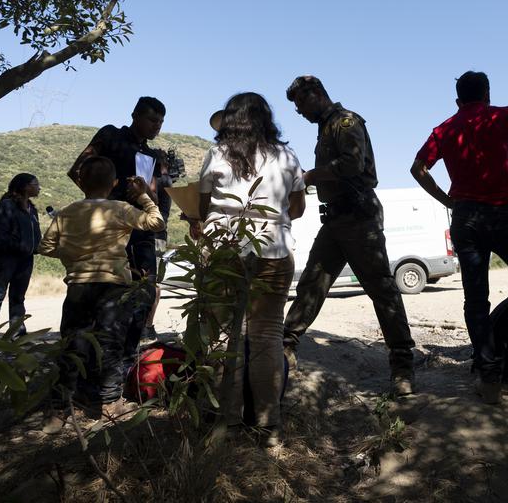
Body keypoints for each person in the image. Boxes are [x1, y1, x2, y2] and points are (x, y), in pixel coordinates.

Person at [410, 71, 508, 404]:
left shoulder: (444, 129)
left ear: (458, 100)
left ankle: (489, 379)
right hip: (501, 214)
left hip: (466, 219)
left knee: (476, 300)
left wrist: (448, 201)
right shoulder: (501, 115)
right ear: (486, 94)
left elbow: (418, 168)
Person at [282, 75, 416, 396]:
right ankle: (286, 347)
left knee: (382, 291)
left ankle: (402, 367)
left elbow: (353, 163)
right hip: (336, 220)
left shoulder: (344, 122)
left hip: (358, 217)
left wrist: (310, 176)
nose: (299, 111)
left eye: (300, 103)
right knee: (312, 283)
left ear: (315, 94)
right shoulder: (325, 128)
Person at [197, 92, 305, 443]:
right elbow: (298, 207)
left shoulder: (216, 154)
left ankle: (225, 423)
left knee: (222, 336)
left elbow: (202, 206)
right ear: (265, 120)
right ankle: (268, 425)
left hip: (223, 252)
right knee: (267, 336)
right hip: (273, 251)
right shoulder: (287, 156)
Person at [40, 156, 165, 433]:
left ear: (81, 182)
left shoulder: (66, 212)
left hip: (78, 285)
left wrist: (72, 256)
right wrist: (144, 195)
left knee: (71, 344)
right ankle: (110, 404)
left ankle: (60, 410)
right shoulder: (120, 209)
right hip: (113, 286)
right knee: (111, 343)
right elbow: (156, 222)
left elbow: (46, 247)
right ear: (114, 184)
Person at [67, 97, 165, 362]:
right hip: (105, 231)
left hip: (140, 231)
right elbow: (78, 170)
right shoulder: (110, 135)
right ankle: (83, 365)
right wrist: (100, 205)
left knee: (143, 291)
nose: (157, 127)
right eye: (152, 120)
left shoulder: (151, 154)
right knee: (98, 296)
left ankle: (125, 360)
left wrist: (146, 195)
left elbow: (154, 198)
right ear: (135, 115)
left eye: (161, 122)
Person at [0, 173, 42, 338]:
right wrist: (21, 247)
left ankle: (17, 335)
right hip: (5, 259)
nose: (39, 187)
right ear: (25, 186)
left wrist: (36, 248)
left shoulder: (32, 208)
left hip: (26, 259)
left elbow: (35, 235)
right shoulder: (6, 206)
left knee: (18, 298)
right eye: (36, 184)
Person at [140, 149, 174, 345]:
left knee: (149, 281)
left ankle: (146, 326)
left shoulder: (157, 180)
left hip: (151, 233)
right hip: (160, 235)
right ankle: (148, 326)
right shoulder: (168, 180)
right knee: (154, 280)